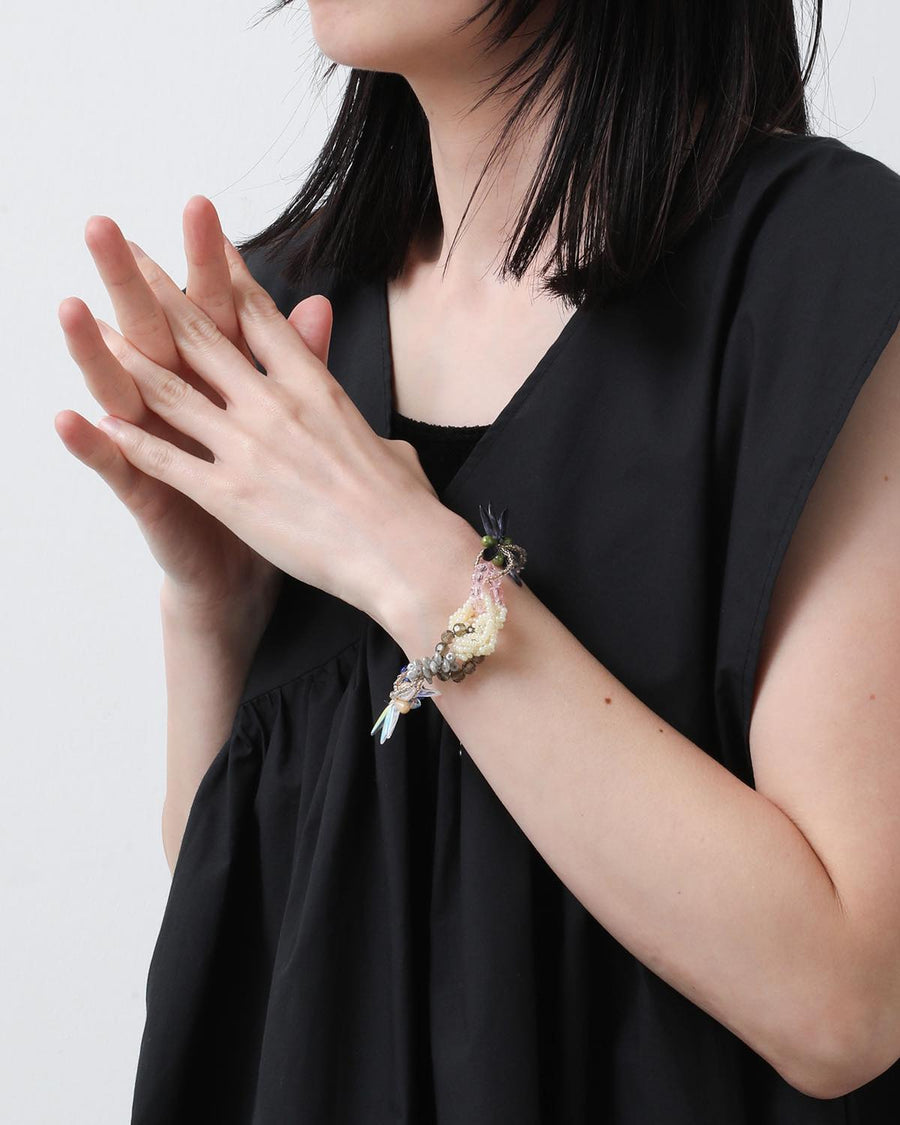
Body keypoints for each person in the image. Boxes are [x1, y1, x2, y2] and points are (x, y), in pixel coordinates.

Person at [54, 1, 900, 1121]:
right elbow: (246, 929)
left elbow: (845, 1002)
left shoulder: (823, 269)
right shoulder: (292, 314)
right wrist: (214, 605)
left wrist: (413, 563)